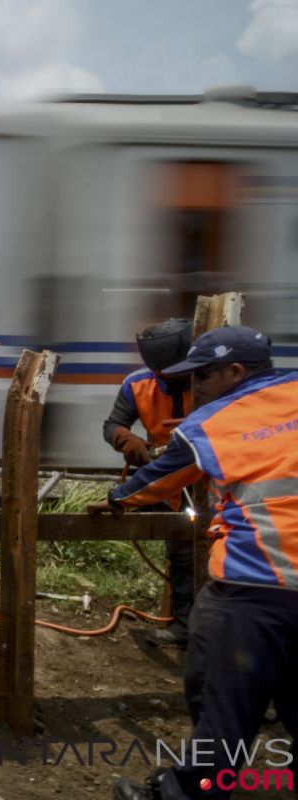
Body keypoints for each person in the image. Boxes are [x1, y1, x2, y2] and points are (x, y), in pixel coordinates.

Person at [88, 326, 298, 800]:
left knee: (223, 708)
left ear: (236, 371)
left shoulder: (213, 420)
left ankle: (182, 794)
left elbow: (162, 476)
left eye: (201, 376)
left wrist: (118, 499)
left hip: (255, 586)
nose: (193, 387)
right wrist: (125, 441)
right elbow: (117, 427)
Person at [103, 318, 195, 648]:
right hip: (169, 479)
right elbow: (112, 423)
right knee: (183, 552)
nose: (169, 381)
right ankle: (186, 624)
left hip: (214, 478)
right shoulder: (138, 385)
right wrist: (126, 440)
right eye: (163, 376)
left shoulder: (210, 380)